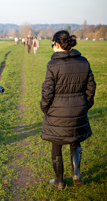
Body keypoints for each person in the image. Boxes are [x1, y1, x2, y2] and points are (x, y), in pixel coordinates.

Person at [40, 30, 96, 189]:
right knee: (75, 139)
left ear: (57, 44)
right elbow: (91, 87)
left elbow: (47, 91)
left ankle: (58, 181)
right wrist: (85, 105)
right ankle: (76, 173)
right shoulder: (84, 62)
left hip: (57, 112)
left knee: (56, 144)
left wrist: (45, 108)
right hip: (79, 110)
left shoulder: (53, 64)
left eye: (52, 45)